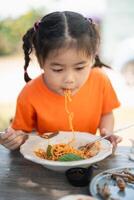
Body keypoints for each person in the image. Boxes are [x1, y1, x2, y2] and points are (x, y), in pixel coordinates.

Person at [0, 11, 122, 150]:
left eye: (80, 68)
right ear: (41, 62)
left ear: (93, 58)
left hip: (87, 155)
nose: (69, 79)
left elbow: (106, 113)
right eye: (58, 70)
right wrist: (14, 140)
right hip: (47, 158)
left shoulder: (100, 80)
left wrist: (107, 133)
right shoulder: (29, 94)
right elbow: (21, 134)